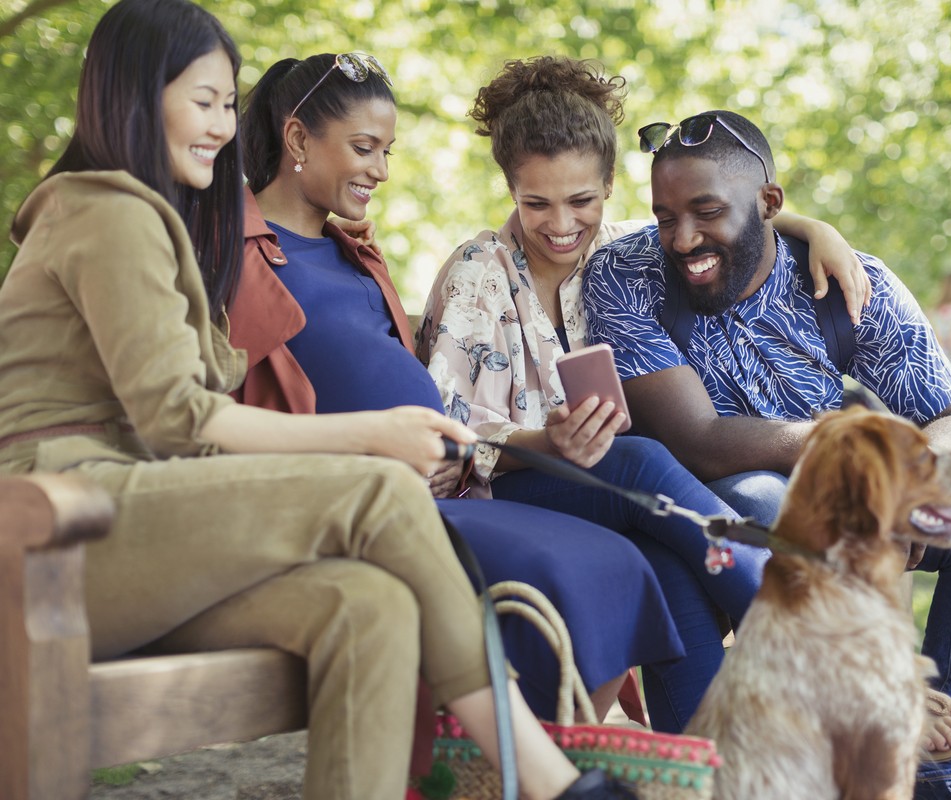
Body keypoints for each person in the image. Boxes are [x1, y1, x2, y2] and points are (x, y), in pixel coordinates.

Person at [0, 2, 636, 797]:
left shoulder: (157, 219)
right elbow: (180, 418)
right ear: (135, 93)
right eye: (203, 101)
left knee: (367, 607)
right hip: (58, 523)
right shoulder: (107, 209)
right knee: (376, 490)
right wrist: (375, 434)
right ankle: (543, 777)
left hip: (135, 524)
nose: (224, 126)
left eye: (230, 105)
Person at [581, 109, 951, 800]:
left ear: (769, 204)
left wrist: (907, 489)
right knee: (768, 498)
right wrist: (861, 472)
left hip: (844, 496)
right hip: (727, 499)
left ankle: (932, 768)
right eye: (665, 215)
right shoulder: (626, 274)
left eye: (705, 212)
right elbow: (696, 442)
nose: (682, 237)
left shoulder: (851, 283)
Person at [415, 56, 870, 733]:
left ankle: (705, 765)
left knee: (670, 565)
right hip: (511, 492)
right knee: (642, 460)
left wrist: (814, 231)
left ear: (609, 187)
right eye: (535, 203)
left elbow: (735, 217)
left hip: (626, 501)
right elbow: (441, 440)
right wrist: (548, 443)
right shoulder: (478, 274)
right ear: (509, 189)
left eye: (582, 202)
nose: (561, 225)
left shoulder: (631, 251)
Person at [230, 51, 685, 725]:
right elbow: (221, 395)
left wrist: (802, 225)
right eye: (365, 148)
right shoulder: (233, 250)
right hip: (365, 498)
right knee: (591, 559)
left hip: (436, 480)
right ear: (297, 139)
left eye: (386, 150)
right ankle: (544, 774)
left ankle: (552, 768)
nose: (381, 170)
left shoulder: (350, 251)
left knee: (616, 567)